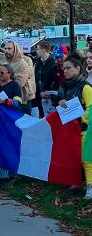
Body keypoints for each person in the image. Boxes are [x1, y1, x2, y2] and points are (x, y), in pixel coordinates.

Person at [58, 53, 92, 199]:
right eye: (63, 68)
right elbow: (60, 104)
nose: (65, 71)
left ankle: (90, 186)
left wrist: (81, 118)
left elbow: (91, 107)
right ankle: (76, 182)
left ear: (78, 68)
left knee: (87, 159)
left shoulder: (86, 87)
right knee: (73, 157)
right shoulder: (63, 86)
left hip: (85, 129)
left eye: (68, 68)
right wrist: (61, 104)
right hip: (70, 129)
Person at [0, 62, 23, 179]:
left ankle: (14, 172)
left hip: (9, 120)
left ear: (10, 73)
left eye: (2, 72)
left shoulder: (14, 85)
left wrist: (4, 101)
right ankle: (2, 175)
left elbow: (18, 102)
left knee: (10, 144)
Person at [4, 41, 36, 113]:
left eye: (9, 48)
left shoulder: (24, 61)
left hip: (23, 99)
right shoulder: (3, 62)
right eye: (5, 48)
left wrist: (7, 78)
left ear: (15, 49)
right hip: (6, 99)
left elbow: (20, 83)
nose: (6, 50)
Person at [34, 41, 57, 117]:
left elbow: (52, 79)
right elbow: (36, 77)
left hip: (49, 94)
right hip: (39, 94)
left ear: (43, 50)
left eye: (38, 49)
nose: (36, 51)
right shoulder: (38, 61)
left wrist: (45, 91)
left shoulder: (53, 62)